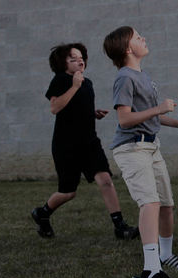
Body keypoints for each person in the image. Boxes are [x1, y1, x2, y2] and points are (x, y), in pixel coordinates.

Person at [104, 26, 178, 278]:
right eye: (137, 37)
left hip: (151, 146)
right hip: (132, 147)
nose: (143, 38)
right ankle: (151, 269)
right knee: (150, 203)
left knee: (166, 204)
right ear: (127, 49)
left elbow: (150, 115)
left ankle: (165, 255)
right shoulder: (124, 77)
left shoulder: (142, 75)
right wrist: (159, 108)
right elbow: (124, 120)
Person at [31, 43, 138, 240]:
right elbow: (55, 108)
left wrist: (92, 113)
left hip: (89, 142)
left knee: (105, 180)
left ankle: (120, 227)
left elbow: (75, 108)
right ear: (63, 64)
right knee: (68, 192)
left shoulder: (86, 82)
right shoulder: (61, 80)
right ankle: (43, 213)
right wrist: (74, 86)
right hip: (66, 145)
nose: (80, 61)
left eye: (81, 57)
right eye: (73, 59)